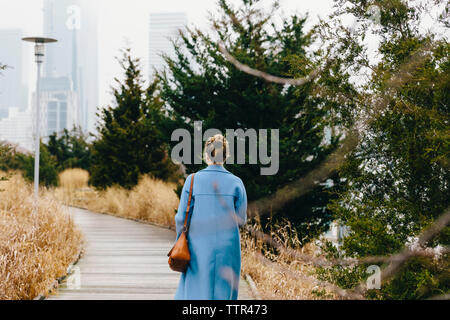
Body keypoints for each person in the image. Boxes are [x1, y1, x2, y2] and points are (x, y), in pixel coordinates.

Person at [174, 134, 248, 300]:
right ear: (226, 156)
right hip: (228, 246)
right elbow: (241, 219)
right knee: (224, 290)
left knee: (196, 290)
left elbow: (181, 218)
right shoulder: (237, 183)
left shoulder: (193, 180)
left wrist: (180, 240)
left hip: (197, 244)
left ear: (206, 155)